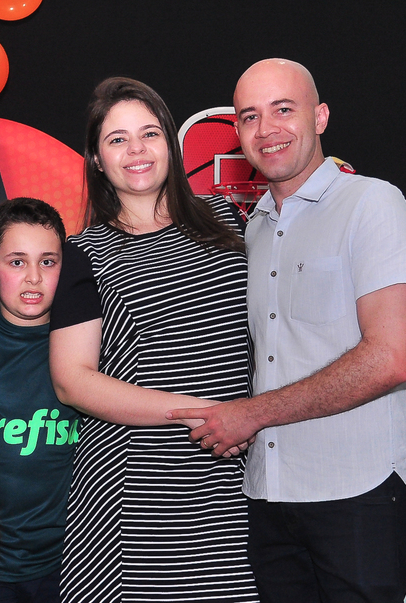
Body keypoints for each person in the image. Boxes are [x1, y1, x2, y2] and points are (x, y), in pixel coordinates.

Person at [168, 58, 406, 602]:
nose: (267, 129)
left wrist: (252, 413)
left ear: (320, 116)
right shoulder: (251, 231)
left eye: (283, 109)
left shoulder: (372, 203)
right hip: (268, 497)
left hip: (358, 491)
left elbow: (391, 359)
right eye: (249, 116)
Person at [49, 77, 259, 602]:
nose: (136, 150)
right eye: (117, 139)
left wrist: (243, 416)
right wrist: (201, 413)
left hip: (229, 480)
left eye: (149, 134)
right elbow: (72, 381)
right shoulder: (84, 251)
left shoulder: (229, 221)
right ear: (97, 160)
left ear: (170, 141)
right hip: (133, 488)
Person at [0, 197, 75, 603]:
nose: (33, 278)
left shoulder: (85, 345)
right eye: (17, 262)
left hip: (69, 564)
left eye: (48, 262)